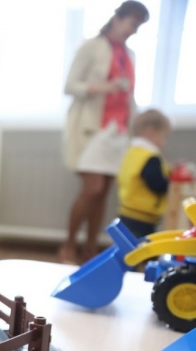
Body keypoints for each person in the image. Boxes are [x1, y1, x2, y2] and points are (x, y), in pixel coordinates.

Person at [59, 1, 150, 263]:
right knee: (93, 188)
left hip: (119, 131)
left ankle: (90, 249)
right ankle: (68, 246)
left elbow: (130, 95)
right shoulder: (92, 46)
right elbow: (69, 86)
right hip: (94, 129)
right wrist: (105, 87)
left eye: (138, 26)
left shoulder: (129, 54)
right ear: (117, 18)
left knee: (103, 194)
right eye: (132, 23)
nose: (134, 30)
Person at [117, 109, 171, 238]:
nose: (164, 142)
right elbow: (156, 183)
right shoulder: (150, 157)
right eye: (164, 136)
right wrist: (171, 183)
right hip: (142, 215)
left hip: (127, 210)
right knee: (141, 246)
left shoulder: (133, 152)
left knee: (126, 244)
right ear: (151, 132)